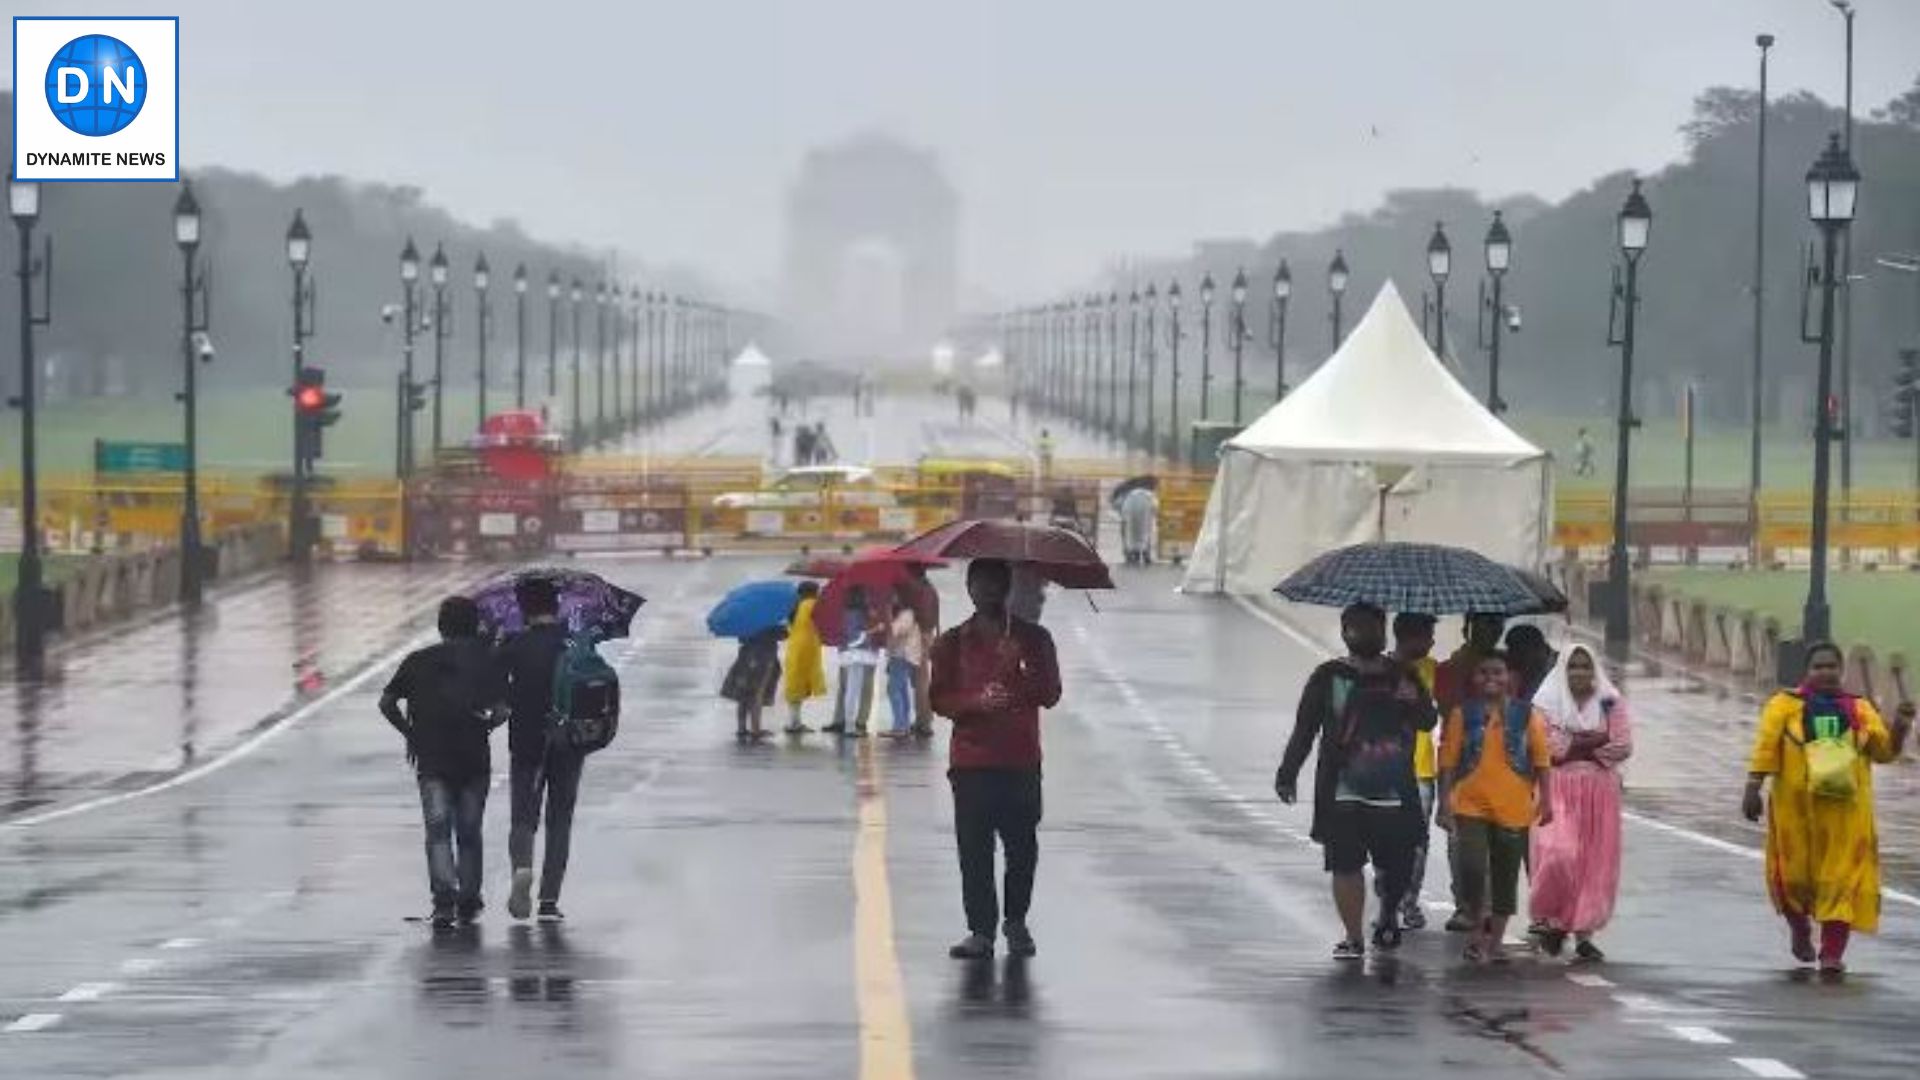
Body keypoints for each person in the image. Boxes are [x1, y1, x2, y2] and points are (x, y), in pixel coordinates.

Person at [1743, 642, 1914, 974]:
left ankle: (1832, 953)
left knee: (1841, 880)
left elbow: (1884, 753)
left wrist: (1900, 727)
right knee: (1791, 878)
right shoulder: (1784, 705)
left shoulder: (1859, 709)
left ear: (1842, 670)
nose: (1826, 672)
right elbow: (1766, 747)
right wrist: (1753, 787)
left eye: (1832, 666)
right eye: (1819, 667)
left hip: (1845, 815)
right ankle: (1800, 929)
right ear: (1807, 671)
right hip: (1795, 812)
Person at [1276, 603, 1434, 960]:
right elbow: (1305, 729)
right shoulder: (1327, 676)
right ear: (1344, 632)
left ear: (1385, 631)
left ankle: (1388, 912)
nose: (1366, 633)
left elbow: (1428, 721)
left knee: (1399, 865)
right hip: (1340, 791)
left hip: (1396, 790)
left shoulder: (1403, 675)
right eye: (1357, 627)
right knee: (1345, 863)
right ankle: (1353, 936)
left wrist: (1415, 702)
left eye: (1374, 626)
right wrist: (1288, 773)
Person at [931, 559, 1062, 960]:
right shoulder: (952, 642)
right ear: (969, 588)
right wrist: (976, 702)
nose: (986, 590)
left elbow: (1051, 693)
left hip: (1020, 760)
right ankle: (981, 931)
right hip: (971, 763)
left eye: (994, 583)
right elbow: (939, 699)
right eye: (978, 583)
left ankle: (1016, 921)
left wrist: (1021, 674)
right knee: (974, 850)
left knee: (1022, 848)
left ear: (1006, 588)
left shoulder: (1034, 639)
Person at [380, 596, 504, 930]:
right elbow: (503, 709)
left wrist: (411, 733)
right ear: (473, 624)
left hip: (432, 759)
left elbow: (387, 702)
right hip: (474, 759)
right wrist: (486, 724)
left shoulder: (418, 661)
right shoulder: (487, 661)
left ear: (440, 626)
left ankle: (444, 900)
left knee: (437, 831)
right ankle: (469, 897)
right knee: (469, 830)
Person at [1437, 651, 1553, 964]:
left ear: (1510, 678)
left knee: (1505, 875)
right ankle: (1477, 929)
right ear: (1473, 679)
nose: (1491, 678)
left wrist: (1548, 800)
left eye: (1498, 672)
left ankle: (1495, 941)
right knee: (1472, 868)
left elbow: (1542, 759)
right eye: (1483, 672)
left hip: (1514, 806)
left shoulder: (1527, 715)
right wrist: (1443, 802)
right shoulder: (1463, 714)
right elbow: (1447, 760)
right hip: (1470, 804)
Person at [1529, 645, 1633, 962]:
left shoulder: (1608, 700)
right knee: (1560, 852)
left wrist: (1575, 745)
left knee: (1593, 862)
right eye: (1572, 666)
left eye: (1585, 666)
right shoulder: (1547, 702)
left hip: (1599, 792)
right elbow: (1547, 746)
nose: (1579, 673)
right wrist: (1591, 742)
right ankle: (1552, 918)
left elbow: (1622, 743)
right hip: (1557, 787)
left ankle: (1584, 931)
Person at [494, 577, 583, 923]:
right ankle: (549, 899)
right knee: (559, 820)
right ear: (556, 604)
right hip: (569, 742)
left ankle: (522, 869)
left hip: (527, 741)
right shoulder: (573, 643)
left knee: (523, 817)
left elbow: (495, 692)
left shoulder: (515, 645)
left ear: (523, 607)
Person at [1432, 611, 1506, 931]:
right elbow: (1446, 707)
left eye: (1493, 625)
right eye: (1480, 625)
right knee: (1459, 838)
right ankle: (1464, 904)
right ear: (1466, 629)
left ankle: (1487, 905)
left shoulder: (1506, 670)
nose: (1487, 631)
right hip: (1459, 760)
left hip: (1500, 762)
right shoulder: (1450, 669)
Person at [1388, 612, 1439, 931]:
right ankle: (1389, 900)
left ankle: (1408, 901)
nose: (1432, 641)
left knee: (1418, 841)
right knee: (1388, 840)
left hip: (1423, 768)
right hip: (1387, 769)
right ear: (1406, 636)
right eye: (1426, 635)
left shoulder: (1435, 671)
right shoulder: (1381, 670)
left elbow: (1433, 716)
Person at [827, 586, 881, 737]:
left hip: (847, 654)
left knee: (849, 689)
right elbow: (859, 637)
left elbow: (845, 634)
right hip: (861, 654)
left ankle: (848, 723)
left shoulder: (844, 613)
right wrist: (875, 628)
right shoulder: (865, 612)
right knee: (856, 689)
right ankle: (852, 726)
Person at [723, 624, 784, 742]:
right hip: (764, 659)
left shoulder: (746, 619)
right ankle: (756, 730)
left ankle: (741, 728)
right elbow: (782, 635)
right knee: (758, 693)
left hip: (746, 657)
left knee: (743, 694)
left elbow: (741, 638)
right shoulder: (769, 618)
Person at [901, 564, 941, 738]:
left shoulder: (914, 589)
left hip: (917, 634)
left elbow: (911, 614)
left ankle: (923, 722)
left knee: (919, 681)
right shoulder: (930, 588)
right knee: (922, 679)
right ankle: (924, 719)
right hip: (928, 633)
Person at [783, 582, 828, 734]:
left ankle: (794, 721)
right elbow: (822, 624)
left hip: (795, 647)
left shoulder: (794, 606)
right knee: (801, 685)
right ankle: (795, 724)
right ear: (812, 592)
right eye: (818, 590)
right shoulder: (812, 604)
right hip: (808, 647)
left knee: (795, 684)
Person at [883, 592, 926, 738]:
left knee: (893, 689)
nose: (893, 599)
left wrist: (888, 615)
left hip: (902, 656)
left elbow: (895, 631)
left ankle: (900, 726)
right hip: (901, 655)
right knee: (901, 690)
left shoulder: (907, 614)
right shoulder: (907, 613)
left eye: (895, 596)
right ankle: (904, 724)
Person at [1504, 624, 1558, 702]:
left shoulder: (1556, 675)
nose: (1509, 656)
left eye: (1515, 650)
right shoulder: (1517, 674)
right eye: (1509, 650)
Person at [1119, 485, 1159, 566]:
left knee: (1132, 536)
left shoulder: (1130, 496)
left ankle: (1134, 555)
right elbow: (1155, 508)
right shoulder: (1149, 496)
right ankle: (1145, 555)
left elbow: (1124, 510)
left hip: (1132, 520)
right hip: (1146, 519)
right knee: (1146, 535)